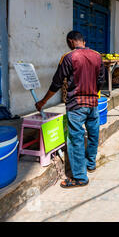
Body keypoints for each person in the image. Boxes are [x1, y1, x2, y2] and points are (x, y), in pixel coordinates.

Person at [35, 31, 106, 189]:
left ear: (71, 41)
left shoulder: (69, 57)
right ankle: (91, 164)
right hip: (93, 103)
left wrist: (43, 101)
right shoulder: (97, 56)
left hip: (76, 105)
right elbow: (101, 80)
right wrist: (94, 93)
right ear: (84, 41)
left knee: (76, 140)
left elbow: (57, 83)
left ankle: (80, 177)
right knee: (93, 134)